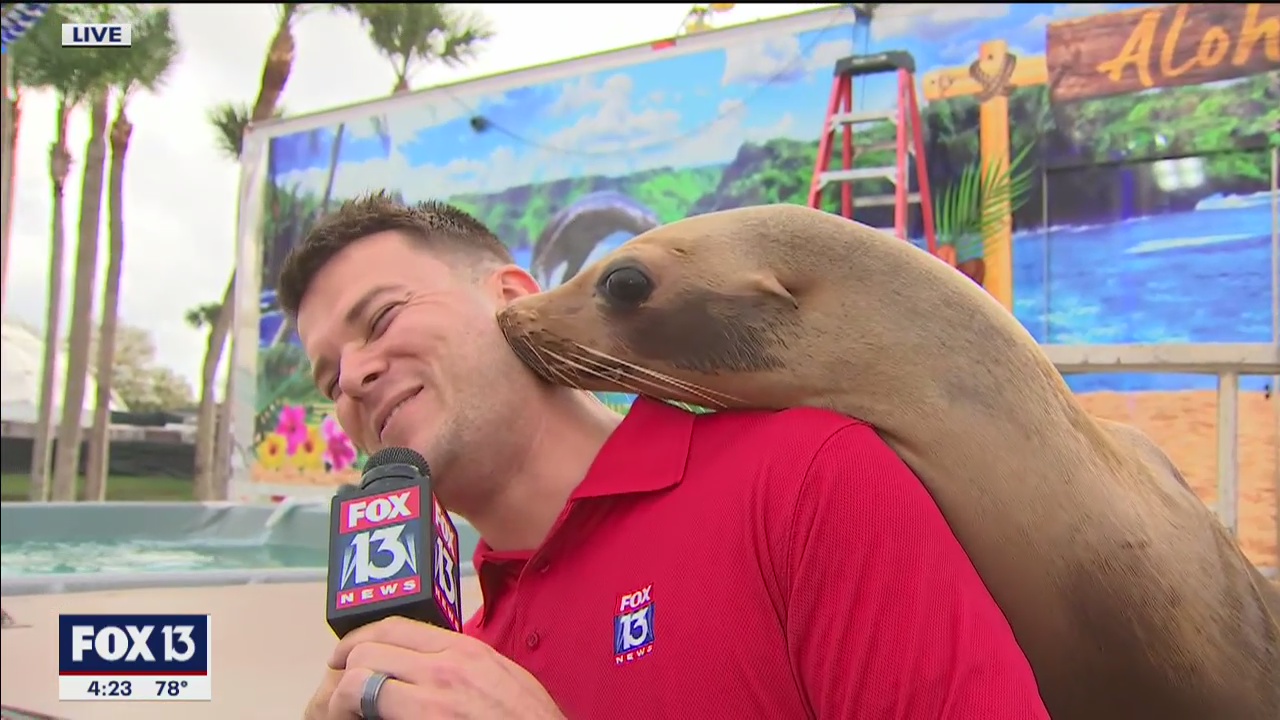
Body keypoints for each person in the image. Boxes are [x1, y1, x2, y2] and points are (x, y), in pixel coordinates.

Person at [286, 192, 1050, 720]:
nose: (353, 378)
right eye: (329, 378)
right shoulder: (459, 666)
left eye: (382, 318)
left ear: (513, 298)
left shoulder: (805, 480)